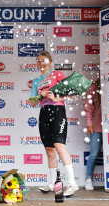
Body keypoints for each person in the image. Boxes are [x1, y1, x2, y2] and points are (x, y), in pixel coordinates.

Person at [30, 51, 79, 197]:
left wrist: (57, 98)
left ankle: (72, 183)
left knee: (59, 146)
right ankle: (52, 183)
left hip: (57, 110)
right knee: (49, 150)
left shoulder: (57, 74)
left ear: (50, 62)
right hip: (43, 112)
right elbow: (32, 102)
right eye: (38, 61)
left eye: (43, 60)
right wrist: (41, 95)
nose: (41, 63)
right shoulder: (36, 81)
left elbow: (72, 91)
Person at [83, 79, 102, 190]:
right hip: (96, 126)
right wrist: (89, 123)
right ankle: (89, 179)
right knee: (94, 153)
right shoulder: (93, 87)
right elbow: (88, 107)